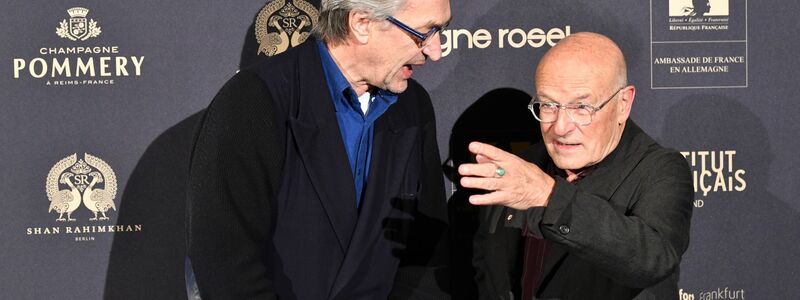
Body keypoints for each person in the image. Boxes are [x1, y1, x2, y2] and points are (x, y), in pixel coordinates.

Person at [186, 0, 452, 298]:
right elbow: (226, 264)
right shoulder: (254, 100)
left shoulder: (413, 106)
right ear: (361, 23)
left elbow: (425, 254)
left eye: (442, 30)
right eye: (424, 33)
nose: (436, 50)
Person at [461, 32, 693, 299]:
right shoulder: (521, 167)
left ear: (623, 104)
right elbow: (487, 269)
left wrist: (549, 196)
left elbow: (652, 258)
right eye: (548, 105)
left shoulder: (659, 169)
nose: (560, 127)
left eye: (581, 107)